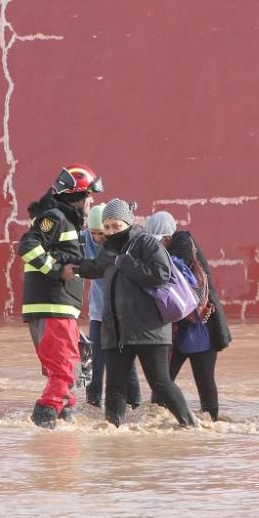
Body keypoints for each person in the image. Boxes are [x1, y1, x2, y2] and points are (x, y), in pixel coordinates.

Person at [76, 198, 198, 427]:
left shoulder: (146, 244)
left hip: (148, 330)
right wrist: (68, 266)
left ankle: (191, 425)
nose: (112, 231)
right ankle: (113, 432)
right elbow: (93, 268)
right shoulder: (109, 249)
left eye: (117, 226)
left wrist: (127, 263)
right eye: (108, 227)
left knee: (160, 383)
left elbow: (161, 274)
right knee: (114, 386)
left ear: (128, 224)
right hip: (117, 332)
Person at [17, 164, 102, 429]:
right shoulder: (54, 217)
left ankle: (63, 435)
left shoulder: (66, 220)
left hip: (61, 308)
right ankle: (43, 425)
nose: (92, 202)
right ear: (79, 195)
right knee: (65, 373)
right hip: (53, 307)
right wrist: (56, 270)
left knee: (66, 373)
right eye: (90, 196)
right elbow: (28, 246)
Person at [144, 211, 232, 421]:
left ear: (166, 237)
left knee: (200, 380)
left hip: (200, 327)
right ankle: (159, 421)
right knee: (163, 381)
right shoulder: (175, 247)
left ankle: (209, 423)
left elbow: (171, 273)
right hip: (182, 328)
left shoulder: (183, 245)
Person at [82, 202, 142, 409]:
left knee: (126, 363)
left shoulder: (119, 243)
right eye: (94, 233)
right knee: (95, 361)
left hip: (121, 314)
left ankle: (135, 403)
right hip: (98, 314)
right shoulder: (83, 240)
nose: (98, 238)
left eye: (102, 233)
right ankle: (92, 404)